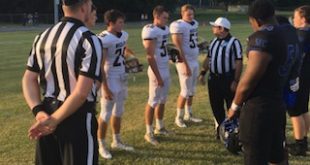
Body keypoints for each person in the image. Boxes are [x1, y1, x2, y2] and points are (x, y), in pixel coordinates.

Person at [24, 0, 102, 164]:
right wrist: (55, 120)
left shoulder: (42, 36)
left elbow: (28, 79)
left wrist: (39, 112)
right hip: (76, 117)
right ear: (84, 6)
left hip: (46, 113)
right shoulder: (88, 39)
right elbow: (81, 93)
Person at [227, 0, 300, 164]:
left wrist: (234, 107)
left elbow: (249, 80)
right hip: (278, 105)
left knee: (255, 158)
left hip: (258, 110)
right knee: (278, 156)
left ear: (256, 20)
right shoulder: (289, 33)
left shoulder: (263, 36)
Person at [97, 9, 134, 159]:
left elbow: (122, 49)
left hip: (121, 76)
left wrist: (131, 56)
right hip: (110, 78)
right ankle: (101, 144)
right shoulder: (104, 39)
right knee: (105, 114)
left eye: (123, 21)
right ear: (110, 23)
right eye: (120, 22)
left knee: (119, 111)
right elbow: (100, 66)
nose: (122, 25)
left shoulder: (123, 35)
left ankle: (116, 141)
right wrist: (104, 87)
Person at [199, 17, 243, 139]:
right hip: (214, 79)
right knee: (216, 105)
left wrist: (235, 80)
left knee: (231, 105)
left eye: (215, 27)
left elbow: (239, 62)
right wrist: (203, 72)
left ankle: (234, 131)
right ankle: (221, 129)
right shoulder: (213, 41)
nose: (213, 29)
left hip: (228, 79)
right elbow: (208, 59)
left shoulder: (234, 42)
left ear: (222, 28)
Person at [141, 5, 172, 145]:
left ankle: (160, 127)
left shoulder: (164, 29)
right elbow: (149, 57)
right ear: (157, 17)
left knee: (163, 100)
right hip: (156, 70)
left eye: (167, 17)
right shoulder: (150, 30)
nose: (166, 20)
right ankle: (149, 132)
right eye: (164, 17)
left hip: (165, 67)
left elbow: (164, 48)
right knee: (153, 101)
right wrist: (158, 76)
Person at [170, 4, 202, 128]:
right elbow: (177, 46)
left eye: (192, 14)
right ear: (182, 14)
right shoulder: (178, 25)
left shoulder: (194, 23)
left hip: (194, 59)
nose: (191, 16)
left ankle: (189, 114)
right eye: (188, 14)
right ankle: (178, 117)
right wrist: (185, 64)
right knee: (185, 91)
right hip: (184, 61)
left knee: (192, 90)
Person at [287, 5, 310, 156]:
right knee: (303, 109)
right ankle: (304, 140)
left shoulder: (302, 34)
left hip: (299, 77)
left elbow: (297, 57)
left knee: (295, 111)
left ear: (303, 18)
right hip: (306, 76)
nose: (293, 20)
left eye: (295, 17)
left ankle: (299, 144)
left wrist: (292, 77)